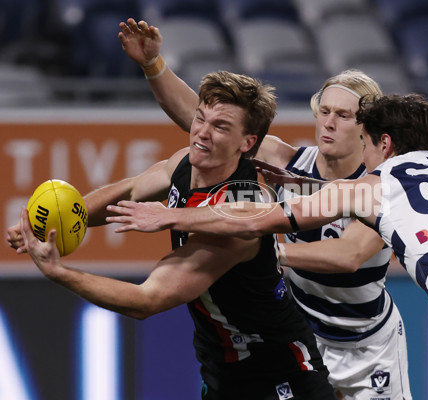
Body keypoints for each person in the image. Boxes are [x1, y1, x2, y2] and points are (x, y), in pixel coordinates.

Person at [107, 94, 428, 400]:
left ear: (384, 143)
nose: (363, 155)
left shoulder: (375, 184)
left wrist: (174, 215)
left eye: (365, 143)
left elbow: (265, 218)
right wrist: (305, 183)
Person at [118, 18, 412, 400]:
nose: (329, 123)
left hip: (365, 343)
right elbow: (204, 119)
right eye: (323, 111)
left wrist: (263, 251)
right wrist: (154, 65)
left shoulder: (380, 185)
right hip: (302, 334)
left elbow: (347, 255)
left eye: (343, 116)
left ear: (365, 127)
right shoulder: (288, 161)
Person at [7, 71, 336, 400]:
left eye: (220, 127)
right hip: (223, 373)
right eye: (200, 118)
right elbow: (131, 190)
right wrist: (55, 225)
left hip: (281, 377)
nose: (201, 134)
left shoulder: (238, 220)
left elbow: (146, 300)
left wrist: (59, 272)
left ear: (247, 143)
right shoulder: (185, 162)